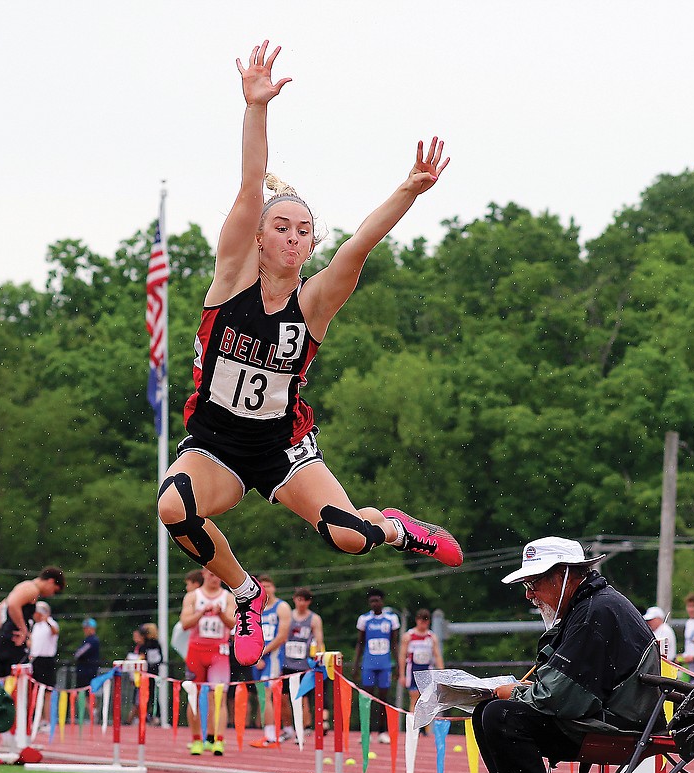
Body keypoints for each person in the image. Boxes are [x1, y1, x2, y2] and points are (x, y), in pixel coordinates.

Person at [156, 40, 463, 670]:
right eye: (281, 227)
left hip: (281, 447)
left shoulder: (315, 304)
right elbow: (249, 186)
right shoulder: (232, 282)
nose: (293, 237)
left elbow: (363, 243)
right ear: (260, 239)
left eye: (304, 230)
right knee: (172, 508)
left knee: (350, 538)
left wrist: (410, 189)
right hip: (215, 443)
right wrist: (255, 108)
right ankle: (246, 594)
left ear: (310, 242)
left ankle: (396, 527)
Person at [474, 537, 663, 773]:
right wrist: (520, 692)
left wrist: (513, 693)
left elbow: (561, 700)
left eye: (533, 584)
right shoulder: (592, 605)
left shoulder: (594, 612)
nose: (529, 595)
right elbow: (565, 689)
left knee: (499, 714)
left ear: (562, 575)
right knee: (489, 712)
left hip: (619, 726)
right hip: (611, 716)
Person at [181, 568, 236, 755]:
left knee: (218, 696)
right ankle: (197, 739)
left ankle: (218, 740)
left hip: (218, 652)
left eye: (219, 575)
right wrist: (201, 612)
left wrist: (220, 614)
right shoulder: (193, 597)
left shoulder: (228, 597)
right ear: (204, 574)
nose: (216, 579)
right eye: (212, 575)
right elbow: (185, 623)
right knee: (193, 695)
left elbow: (233, 623)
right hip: (196, 650)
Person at [0, 566, 65, 677]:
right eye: (54, 591)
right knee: (19, 679)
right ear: (51, 582)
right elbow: (13, 605)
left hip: (8, 637)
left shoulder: (25, 586)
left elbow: (0, 608)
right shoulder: (32, 589)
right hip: (14, 641)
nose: (51, 594)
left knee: (3, 676)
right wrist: (22, 629)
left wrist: (4, 629)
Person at [353, 589, 400, 744]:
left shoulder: (391, 619)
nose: (375, 603)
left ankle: (382, 731)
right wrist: (355, 665)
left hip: (385, 664)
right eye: (372, 601)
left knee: (383, 699)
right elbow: (360, 644)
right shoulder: (364, 620)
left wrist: (398, 665)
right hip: (369, 664)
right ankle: (365, 732)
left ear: (382, 601)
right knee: (366, 698)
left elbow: (394, 644)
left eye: (377, 600)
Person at [250, 574, 292, 748]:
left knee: (267, 696)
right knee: (266, 697)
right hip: (257, 658)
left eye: (269, 586)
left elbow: (282, 636)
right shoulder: (255, 608)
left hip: (273, 657)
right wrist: (253, 656)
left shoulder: (281, 607)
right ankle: (278, 731)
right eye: (263, 586)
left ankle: (272, 735)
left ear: (274, 587)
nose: (266, 589)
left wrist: (262, 653)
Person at [278, 587, 324, 740]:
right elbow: (281, 635)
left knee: (303, 697)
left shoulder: (314, 619)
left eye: (304, 600)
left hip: (305, 664)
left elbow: (319, 640)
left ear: (309, 601)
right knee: (285, 697)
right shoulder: (288, 616)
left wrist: (317, 657)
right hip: (287, 662)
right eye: (298, 599)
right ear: (294, 599)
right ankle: (288, 728)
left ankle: (304, 728)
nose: (301, 603)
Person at [398, 607, 444, 724]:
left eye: (425, 620)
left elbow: (437, 655)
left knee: (427, 700)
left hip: (427, 670)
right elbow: (402, 656)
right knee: (414, 698)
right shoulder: (408, 636)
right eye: (421, 620)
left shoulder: (431, 637)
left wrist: (442, 672)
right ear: (416, 620)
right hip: (413, 669)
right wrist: (402, 675)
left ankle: (425, 728)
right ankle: (414, 725)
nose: (423, 623)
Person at [171, 570, 203, 664]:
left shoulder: (191, 597)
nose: (186, 588)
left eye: (188, 584)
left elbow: (185, 623)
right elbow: (185, 623)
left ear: (196, 584)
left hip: (200, 646)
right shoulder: (190, 598)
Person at [28, 601, 59, 688]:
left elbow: (55, 632)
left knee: (47, 687)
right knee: (35, 686)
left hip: (47, 660)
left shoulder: (51, 623)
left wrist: (47, 621)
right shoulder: (36, 626)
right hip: (36, 659)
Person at [74, 618, 101, 688]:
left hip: (87, 671)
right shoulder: (88, 640)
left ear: (92, 628)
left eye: (86, 628)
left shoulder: (92, 640)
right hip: (85, 670)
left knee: (86, 692)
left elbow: (79, 654)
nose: (85, 630)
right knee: (84, 692)